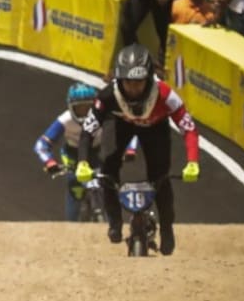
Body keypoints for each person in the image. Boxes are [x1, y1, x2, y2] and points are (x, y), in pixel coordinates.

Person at [76, 44, 200, 256]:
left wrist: (193, 161)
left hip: (155, 127)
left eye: (139, 82)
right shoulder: (107, 96)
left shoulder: (166, 95)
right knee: (107, 166)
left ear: (149, 78)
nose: (133, 88)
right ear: (119, 80)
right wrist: (82, 162)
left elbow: (189, 129)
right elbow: (87, 132)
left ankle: (167, 228)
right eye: (128, 82)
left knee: (160, 175)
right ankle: (114, 220)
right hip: (119, 124)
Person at [34, 82, 137, 221]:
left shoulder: (106, 115)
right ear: (70, 108)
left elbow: (129, 131)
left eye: (87, 108)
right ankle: (71, 224)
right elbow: (41, 144)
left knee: (108, 184)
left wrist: (130, 149)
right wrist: (50, 162)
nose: (84, 112)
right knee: (75, 189)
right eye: (79, 108)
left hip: (97, 152)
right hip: (72, 155)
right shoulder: (65, 120)